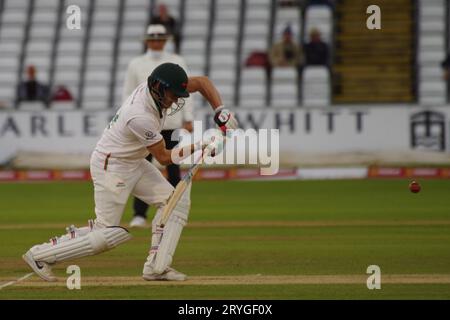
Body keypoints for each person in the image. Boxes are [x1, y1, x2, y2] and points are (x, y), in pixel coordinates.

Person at [22, 62, 239, 282]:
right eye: (173, 95)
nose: (175, 100)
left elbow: (202, 82)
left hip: (132, 161)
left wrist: (220, 111)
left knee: (176, 202)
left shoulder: (158, 89)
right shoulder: (139, 115)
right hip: (112, 166)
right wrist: (200, 146)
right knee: (106, 233)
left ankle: (156, 267)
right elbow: (163, 158)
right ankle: (40, 255)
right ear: (158, 87)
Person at [123, 24, 194, 228]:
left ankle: (173, 211)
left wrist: (188, 117)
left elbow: (185, 93)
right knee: (141, 168)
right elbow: (128, 94)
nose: (156, 42)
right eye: (153, 38)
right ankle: (139, 214)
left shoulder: (177, 61)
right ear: (147, 40)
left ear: (165, 40)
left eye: (160, 38)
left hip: (171, 122)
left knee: (172, 168)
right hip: (143, 124)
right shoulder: (135, 64)